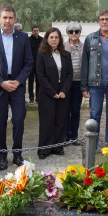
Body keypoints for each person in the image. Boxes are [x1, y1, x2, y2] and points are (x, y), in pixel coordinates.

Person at [0, 6, 33, 170]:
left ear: (15, 19)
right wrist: (1, 82)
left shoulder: (23, 37)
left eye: (10, 18)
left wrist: (18, 82)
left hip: (17, 85)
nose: (7, 21)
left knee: (19, 119)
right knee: (0, 123)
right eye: (5, 17)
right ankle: (2, 156)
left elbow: (28, 63)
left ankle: (17, 154)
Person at [81, 9, 108, 147]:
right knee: (95, 114)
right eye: (102, 19)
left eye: (107, 19)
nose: (104, 22)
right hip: (95, 84)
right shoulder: (90, 38)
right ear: (99, 21)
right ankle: (92, 143)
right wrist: (84, 87)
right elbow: (85, 64)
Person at [36, 27, 73, 159]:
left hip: (62, 94)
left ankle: (57, 146)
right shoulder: (41, 54)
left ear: (60, 39)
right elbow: (40, 75)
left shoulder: (66, 55)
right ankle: (44, 149)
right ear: (47, 39)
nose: (54, 40)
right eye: (51, 37)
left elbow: (69, 74)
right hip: (47, 93)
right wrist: (52, 92)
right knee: (47, 121)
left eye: (56, 37)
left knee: (60, 121)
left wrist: (63, 91)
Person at [64, 22, 83, 146]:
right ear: (68, 33)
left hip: (79, 83)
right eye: (71, 31)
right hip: (66, 83)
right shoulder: (62, 46)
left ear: (80, 33)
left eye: (76, 31)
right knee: (65, 110)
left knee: (75, 110)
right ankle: (65, 136)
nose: (74, 33)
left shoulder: (84, 46)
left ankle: (74, 136)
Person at [28, 25, 43, 104]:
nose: (36, 32)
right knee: (30, 82)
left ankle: (38, 97)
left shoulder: (42, 40)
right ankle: (31, 98)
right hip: (31, 64)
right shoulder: (28, 40)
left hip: (39, 64)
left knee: (39, 82)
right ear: (32, 31)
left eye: (37, 30)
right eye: (34, 30)